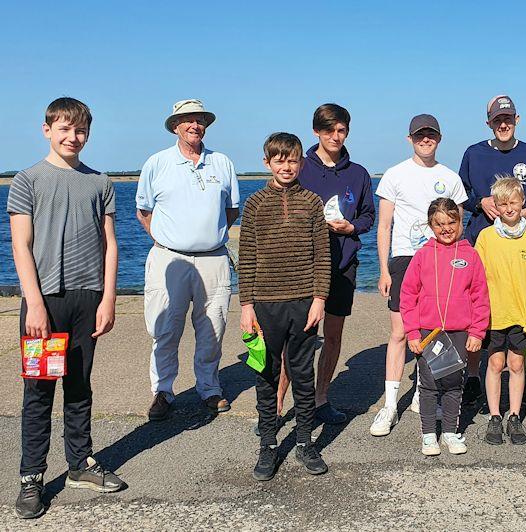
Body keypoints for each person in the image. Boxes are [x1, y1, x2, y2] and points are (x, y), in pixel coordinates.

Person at [8, 97, 122, 519]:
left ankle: (80, 464)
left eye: (80, 131)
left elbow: (111, 244)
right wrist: (34, 304)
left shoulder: (100, 182)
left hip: (87, 298)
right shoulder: (27, 180)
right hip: (45, 302)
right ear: (47, 130)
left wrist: (108, 298)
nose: (73, 137)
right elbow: (21, 245)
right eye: (64, 129)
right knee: (39, 391)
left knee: (79, 385)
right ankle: (31, 477)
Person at [136, 99, 240, 420]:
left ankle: (209, 388)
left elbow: (232, 210)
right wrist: (167, 240)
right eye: (187, 120)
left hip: (214, 260)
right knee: (165, 328)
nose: (194, 125)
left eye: (199, 120)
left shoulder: (222, 162)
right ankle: (163, 391)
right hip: (169, 260)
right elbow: (144, 210)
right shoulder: (157, 163)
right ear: (176, 127)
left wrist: (206, 234)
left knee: (213, 327)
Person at [275, 103, 375, 424]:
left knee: (332, 337)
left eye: (341, 130)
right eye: (329, 130)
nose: (336, 136)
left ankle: (320, 400)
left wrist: (352, 227)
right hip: (303, 268)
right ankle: (277, 407)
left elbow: (368, 216)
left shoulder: (358, 174)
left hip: (343, 266)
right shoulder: (301, 167)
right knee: (298, 339)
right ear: (316, 131)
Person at [239, 133, 331, 480]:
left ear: (300, 163)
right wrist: (246, 305)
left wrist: (319, 299)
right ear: (268, 163)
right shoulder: (255, 203)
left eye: (292, 160)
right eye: (279, 160)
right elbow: (246, 257)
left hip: (304, 303)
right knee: (265, 373)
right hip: (264, 304)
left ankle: (306, 442)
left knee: (303, 374)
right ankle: (267, 445)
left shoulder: (311, 202)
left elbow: (323, 255)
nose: (286, 166)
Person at [371, 114, 468, 437]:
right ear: (410, 138)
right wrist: (384, 269)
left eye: (431, 135)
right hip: (404, 259)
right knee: (400, 333)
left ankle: (422, 393)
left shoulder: (450, 178)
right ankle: (389, 405)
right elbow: (384, 226)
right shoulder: (395, 175)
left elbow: (457, 227)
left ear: (439, 138)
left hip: (440, 262)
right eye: (420, 135)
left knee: (435, 329)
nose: (426, 139)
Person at [458, 95, 526, 405]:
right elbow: (461, 193)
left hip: (518, 244)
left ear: (517, 120)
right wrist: (480, 202)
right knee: (479, 314)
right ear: (488, 122)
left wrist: (525, 213)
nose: (503, 124)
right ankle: (473, 376)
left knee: (516, 309)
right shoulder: (474, 153)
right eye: (498, 119)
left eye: (508, 119)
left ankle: (518, 376)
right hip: (480, 241)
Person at [400, 198, 490, 455]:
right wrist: (413, 332)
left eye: (452, 222)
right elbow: (408, 296)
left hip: (460, 332)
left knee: (453, 383)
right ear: (431, 225)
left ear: (461, 222)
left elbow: (480, 297)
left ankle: (450, 432)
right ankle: (429, 435)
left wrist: (477, 332)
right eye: (439, 224)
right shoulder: (422, 255)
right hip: (429, 333)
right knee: (428, 385)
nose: (446, 228)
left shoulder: (471, 255)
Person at [475, 177, 526, 445]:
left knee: (517, 364)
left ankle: (515, 415)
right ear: (495, 205)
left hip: (523, 314)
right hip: (494, 314)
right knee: (495, 363)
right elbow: (476, 279)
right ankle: (495, 416)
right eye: (503, 204)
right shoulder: (485, 237)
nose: (509, 209)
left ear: (523, 203)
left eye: (514, 203)